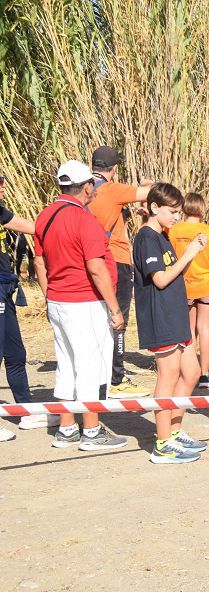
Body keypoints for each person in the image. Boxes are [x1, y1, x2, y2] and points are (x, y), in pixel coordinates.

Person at [33, 160, 128, 451]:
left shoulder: (45, 216)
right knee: (91, 367)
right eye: (92, 186)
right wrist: (114, 308)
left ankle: (66, 428)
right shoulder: (84, 220)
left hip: (60, 301)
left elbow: (39, 261)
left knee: (67, 365)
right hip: (85, 302)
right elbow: (96, 268)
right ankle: (91, 430)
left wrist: (51, 296)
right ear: (86, 186)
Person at [134, 183, 209, 463]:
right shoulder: (146, 238)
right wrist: (188, 254)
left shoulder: (163, 236)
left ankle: (175, 432)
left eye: (179, 212)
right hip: (160, 316)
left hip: (176, 314)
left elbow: (174, 273)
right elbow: (161, 278)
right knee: (168, 375)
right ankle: (162, 444)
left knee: (192, 373)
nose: (177, 217)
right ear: (155, 208)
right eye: (173, 212)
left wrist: (194, 252)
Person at [88, 145, 153, 399]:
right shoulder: (113, 189)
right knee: (119, 318)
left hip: (94, 261)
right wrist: (148, 184)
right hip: (117, 260)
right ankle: (117, 377)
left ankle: (103, 374)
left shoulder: (85, 189)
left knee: (100, 318)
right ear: (114, 169)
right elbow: (151, 192)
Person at [0, 174, 54, 437]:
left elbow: (35, 228)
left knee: (15, 353)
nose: (3, 187)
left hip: (5, 289)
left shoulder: (1, 212)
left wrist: (62, 225)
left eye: (2, 182)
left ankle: (25, 410)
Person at [168, 192, 209, 389]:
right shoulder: (208, 231)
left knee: (189, 329)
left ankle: (188, 369)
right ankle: (205, 373)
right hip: (207, 283)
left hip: (184, 284)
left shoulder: (174, 230)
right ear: (202, 208)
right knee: (205, 328)